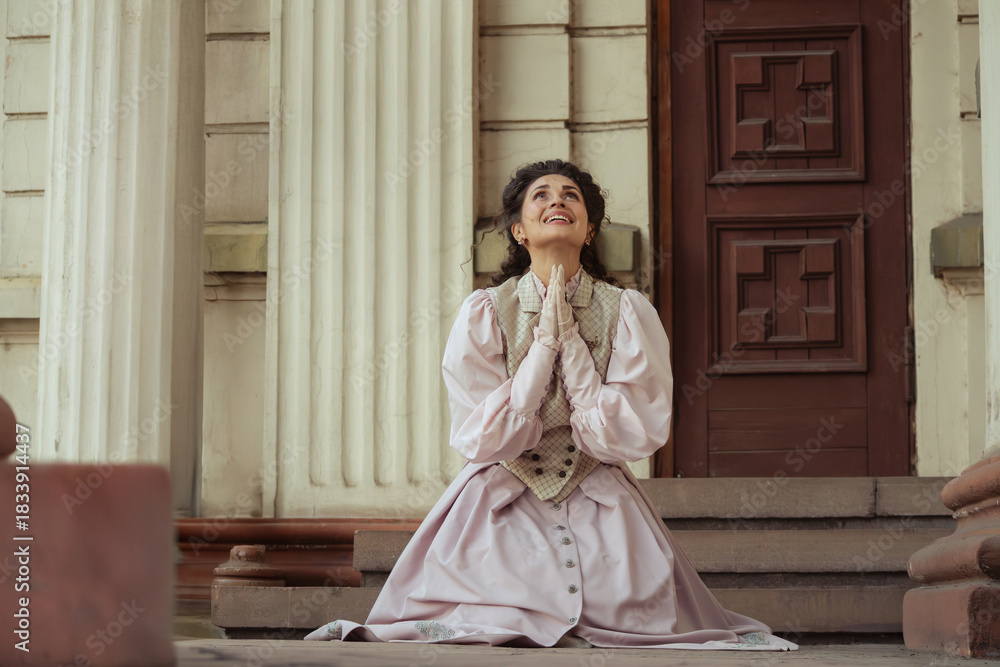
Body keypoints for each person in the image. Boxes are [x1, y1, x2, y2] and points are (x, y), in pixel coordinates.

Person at [305, 159, 797, 651]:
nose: (557, 200)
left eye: (571, 195)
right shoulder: (485, 311)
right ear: (519, 230)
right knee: (489, 599)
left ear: (589, 230)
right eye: (541, 195)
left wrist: (574, 348)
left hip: (596, 483)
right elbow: (482, 437)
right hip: (503, 488)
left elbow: (630, 432)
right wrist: (543, 349)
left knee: (629, 602)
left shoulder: (627, 310)